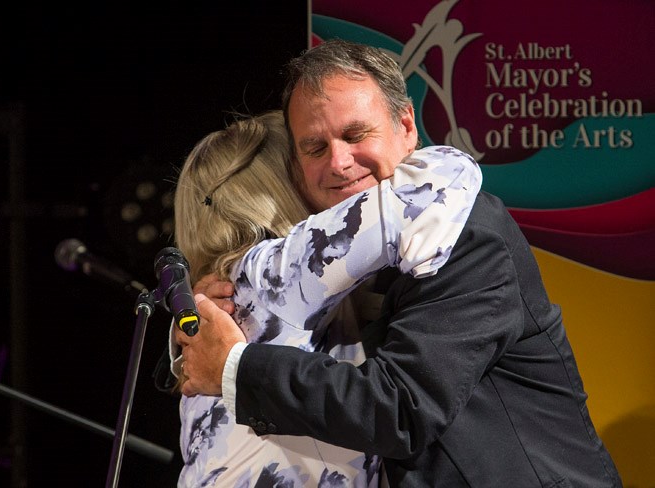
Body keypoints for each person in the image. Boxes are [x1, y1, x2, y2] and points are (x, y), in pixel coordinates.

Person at [177, 39, 622, 487]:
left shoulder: (462, 232)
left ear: (407, 126)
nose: (339, 162)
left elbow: (400, 409)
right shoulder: (332, 268)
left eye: (355, 135)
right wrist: (215, 316)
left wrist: (235, 365)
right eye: (315, 148)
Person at [170, 109, 482, 486]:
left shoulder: (217, 303)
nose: (333, 169)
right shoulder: (274, 272)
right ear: (279, 185)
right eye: (310, 155)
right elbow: (435, 183)